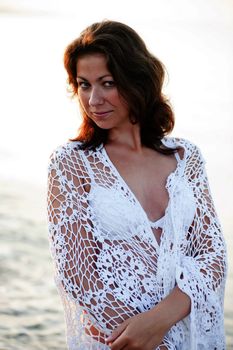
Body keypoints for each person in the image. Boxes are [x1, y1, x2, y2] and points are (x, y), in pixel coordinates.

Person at [47, 20, 227, 350]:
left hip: (185, 336)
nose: (94, 99)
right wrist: (141, 338)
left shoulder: (186, 158)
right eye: (84, 85)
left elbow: (212, 255)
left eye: (108, 83)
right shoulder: (73, 162)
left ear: (137, 81)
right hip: (115, 340)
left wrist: (160, 321)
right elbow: (78, 274)